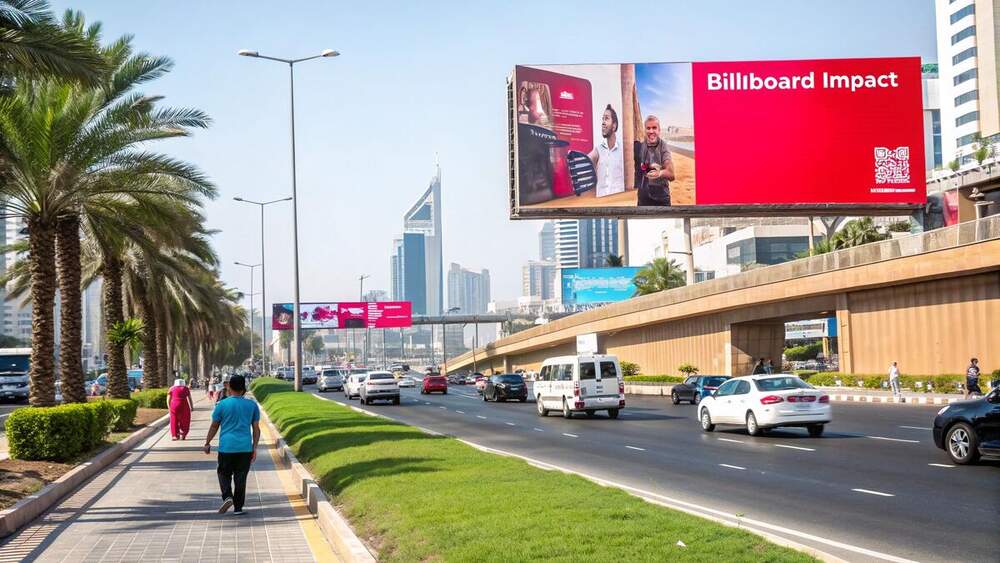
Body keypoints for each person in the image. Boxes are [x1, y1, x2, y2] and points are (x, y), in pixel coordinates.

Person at [203, 375, 260, 515]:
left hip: (226, 447)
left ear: (229, 387)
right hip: (245, 448)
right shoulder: (252, 405)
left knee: (223, 473)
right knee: (241, 477)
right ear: (244, 388)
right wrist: (254, 447)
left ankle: (227, 496)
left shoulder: (221, 405)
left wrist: (207, 442)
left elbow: (214, 426)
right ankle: (238, 508)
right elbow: (256, 429)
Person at [634, 115, 675, 206]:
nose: (651, 131)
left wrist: (660, 173)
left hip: (661, 198)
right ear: (645, 130)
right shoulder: (639, 146)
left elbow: (672, 175)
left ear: (659, 130)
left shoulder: (663, 146)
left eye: (654, 128)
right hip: (643, 198)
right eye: (648, 128)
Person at [586, 104, 625, 197]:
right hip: (602, 205)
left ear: (614, 126)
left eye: (606, 118)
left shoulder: (623, 151)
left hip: (619, 203)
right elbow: (585, 161)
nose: (603, 122)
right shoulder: (598, 150)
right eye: (602, 119)